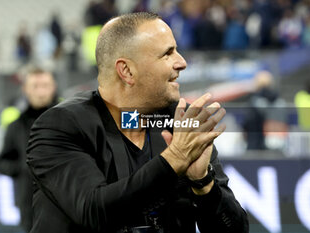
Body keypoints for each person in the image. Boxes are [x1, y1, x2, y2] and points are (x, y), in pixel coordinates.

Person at [27, 12, 248, 233]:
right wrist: (174, 160)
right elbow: (94, 211)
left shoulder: (180, 122)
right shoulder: (61, 125)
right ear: (127, 71)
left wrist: (203, 183)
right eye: (167, 53)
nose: (182, 62)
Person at [0, 67, 58, 232]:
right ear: (25, 90)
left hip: (66, 201)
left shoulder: (71, 120)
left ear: (53, 87)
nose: (41, 91)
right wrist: (23, 168)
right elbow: (2, 162)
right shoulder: (16, 125)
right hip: (30, 204)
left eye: (45, 85)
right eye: (35, 86)